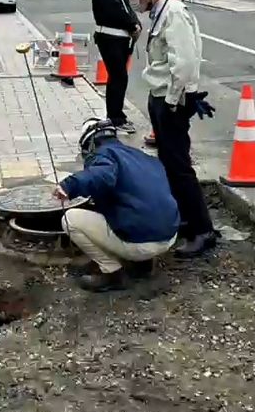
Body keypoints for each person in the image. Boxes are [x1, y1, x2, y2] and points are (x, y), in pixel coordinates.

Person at [119, 0, 219, 258]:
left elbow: (185, 64)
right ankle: (187, 219)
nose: (134, 0)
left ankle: (203, 230)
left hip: (170, 100)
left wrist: (175, 102)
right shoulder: (161, 13)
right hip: (161, 97)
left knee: (179, 166)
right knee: (170, 164)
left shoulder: (174, 13)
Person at [54, 118, 180, 292]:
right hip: (169, 235)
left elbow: (102, 174)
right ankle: (143, 265)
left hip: (140, 243)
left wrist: (69, 185)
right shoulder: (143, 157)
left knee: (70, 219)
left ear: (89, 143)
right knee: (136, 207)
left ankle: (111, 273)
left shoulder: (104, 155)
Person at [90, 0, 141, 133]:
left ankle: (116, 116)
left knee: (120, 77)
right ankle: (115, 118)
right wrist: (132, 25)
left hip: (121, 39)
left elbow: (128, 9)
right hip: (109, 38)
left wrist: (136, 23)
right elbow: (115, 11)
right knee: (118, 77)